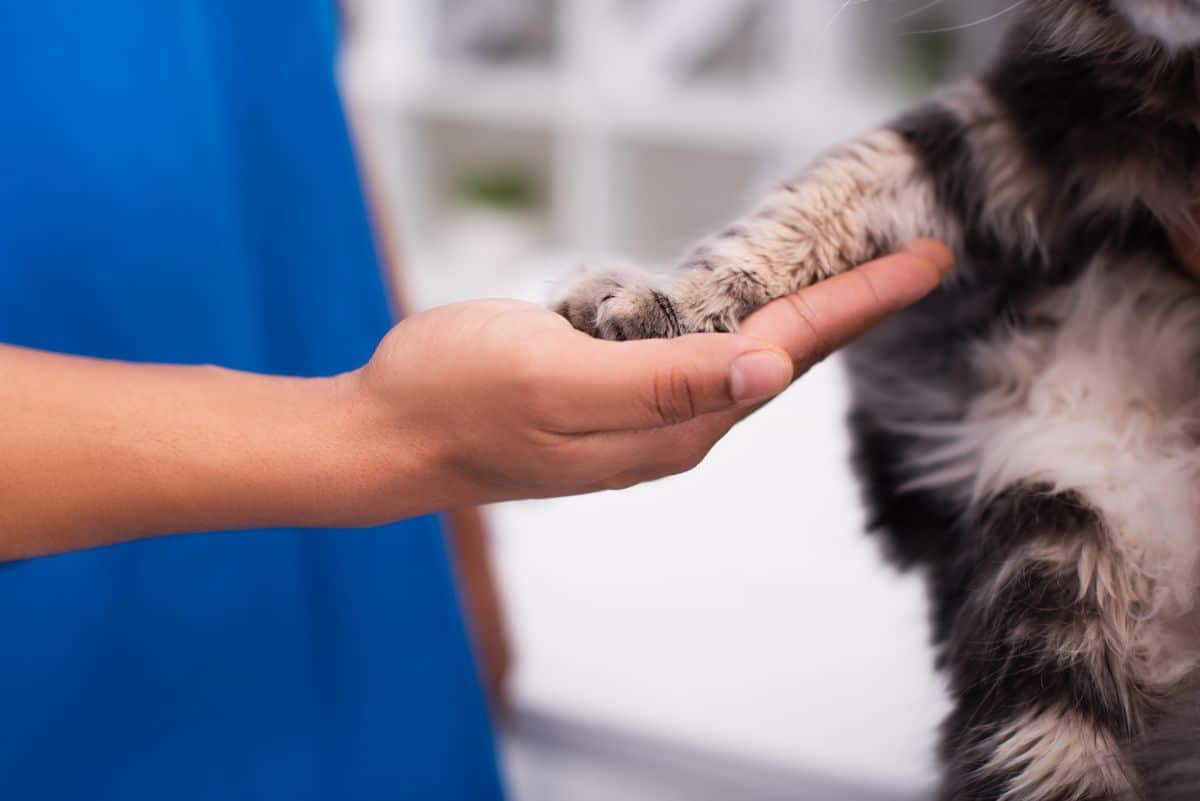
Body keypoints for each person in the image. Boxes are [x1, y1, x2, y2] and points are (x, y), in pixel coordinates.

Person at [0, 2, 953, 800]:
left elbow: (285, 105)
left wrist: (457, 542)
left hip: (377, 589)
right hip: (78, 651)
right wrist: (381, 437)